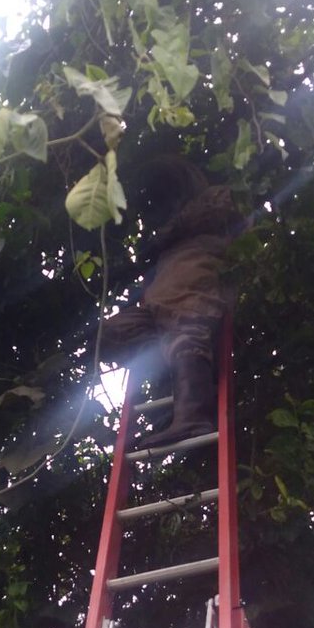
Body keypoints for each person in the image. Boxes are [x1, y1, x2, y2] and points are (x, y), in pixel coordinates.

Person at [100, 157, 241, 448]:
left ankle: (192, 417)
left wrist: (172, 230)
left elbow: (219, 213)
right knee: (109, 334)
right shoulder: (166, 235)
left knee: (185, 334)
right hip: (158, 302)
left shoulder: (216, 198)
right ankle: (171, 361)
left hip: (195, 286)